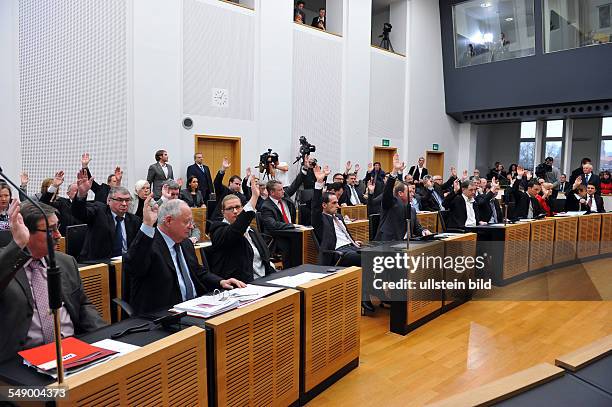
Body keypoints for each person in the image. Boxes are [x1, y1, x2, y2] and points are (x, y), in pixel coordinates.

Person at [0, 200, 105, 360]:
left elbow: (82, 305)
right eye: (50, 230)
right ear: (26, 231)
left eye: (58, 227)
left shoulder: (66, 262)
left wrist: (104, 336)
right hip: (21, 359)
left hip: (70, 349)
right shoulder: (6, 262)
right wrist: (18, 243)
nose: (58, 235)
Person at [123, 198, 245, 315]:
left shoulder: (185, 243)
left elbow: (197, 271)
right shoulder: (148, 245)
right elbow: (133, 266)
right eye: (187, 222)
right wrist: (147, 225)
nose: (191, 226)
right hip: (163, 315)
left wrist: (221, 281)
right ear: (169, 221)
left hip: (194, 308)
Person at [209, 177, 275, 283]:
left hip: (265, 278)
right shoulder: (217, 229)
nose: (235, 211)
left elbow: (264, 256)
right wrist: (254, 197)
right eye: (230, 208)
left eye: (238, 207)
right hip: (241, 283)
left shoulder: (251, 230)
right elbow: (236, 230)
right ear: (222, 212)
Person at [72, 170, 142, 261]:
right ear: (109, 201)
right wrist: (81, 195)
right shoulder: (99, 211)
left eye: (127, 200)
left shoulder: (134, 220)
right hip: (99, 264)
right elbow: (79, 214)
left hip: (125, 264)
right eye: (120, 200)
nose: (124, 204)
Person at [375, 154, 431, 240]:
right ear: (400, 193)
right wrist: (394, 172)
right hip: (388, 245)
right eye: (410, 192)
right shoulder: (391, 203)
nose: (413, 194)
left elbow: (417, 229)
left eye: (413, 192)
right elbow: (387, 192)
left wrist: (424, 231)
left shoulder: (412, 210)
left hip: (407, 245)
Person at [39, 171, 81, 235]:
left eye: (80, 190)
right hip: (63, 239)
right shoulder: (62, 203)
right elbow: (43, 204)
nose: (78, 192)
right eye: (76, 190)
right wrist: (54, 186)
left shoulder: (87, 206)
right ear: (68, 193)